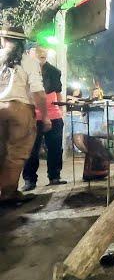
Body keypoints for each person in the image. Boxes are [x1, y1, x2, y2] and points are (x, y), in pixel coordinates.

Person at [0, 26, 50, 206]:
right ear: (22, 42)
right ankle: (8, 193)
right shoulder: (28, 61)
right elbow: (38, 92)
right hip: (20, 110)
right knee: (16, 153)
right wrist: (44, 117)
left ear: (4, 40)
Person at [21, 46, 67, 190]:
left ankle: (54, 176)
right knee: (30, 149)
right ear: (30, 55)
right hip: (32, 116)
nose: (42, 55)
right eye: (38, 53)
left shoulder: (54, 71)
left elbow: (58, 92)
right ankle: (29, 180)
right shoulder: (23, 71)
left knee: (55, 148)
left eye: (44, 54)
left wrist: (61, 109)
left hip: (53, 115)